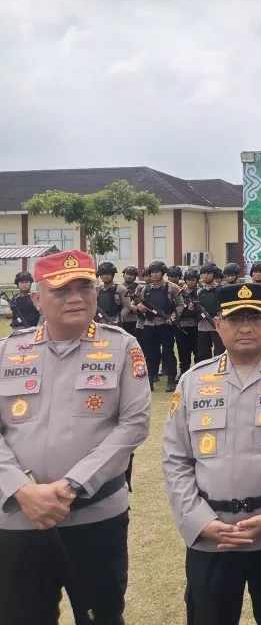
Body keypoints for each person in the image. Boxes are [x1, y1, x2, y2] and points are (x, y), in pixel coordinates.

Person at [0, 249, 151, 624]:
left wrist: (71, 485)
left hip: (94, 514)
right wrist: (20, 489)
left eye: (84, 286)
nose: (76, 297)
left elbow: (134, 424)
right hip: (20, 517)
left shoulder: (122, 347)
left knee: (101, 614)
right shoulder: (7, 351)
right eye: (61, 289)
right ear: (36, 298)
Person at [162, 282, 261, 625]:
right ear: (218, 324)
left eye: (254, 317)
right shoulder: (193, 381)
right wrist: (200, 521)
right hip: (211, 538)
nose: (245, 327)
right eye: (234, 318)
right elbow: (176, 459)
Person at [133, 261, 184, 392]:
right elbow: (135, 304)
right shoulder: (145, 289)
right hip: (149, 325)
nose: (154, 274)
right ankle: (149, 379)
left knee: (168, 352)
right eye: (152, 272)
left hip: (166, 324)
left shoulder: (171, 287)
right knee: (150, 354)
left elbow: (180, 304)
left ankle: (171, 380)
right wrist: (138, 307)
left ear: (163, 272)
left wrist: (173, 317)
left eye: (157, 271)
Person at [196, 263, 224, 362]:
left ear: (214, 274)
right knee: (203, 353)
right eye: (203, 273)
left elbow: (224, 307)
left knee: (220, 352)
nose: (205, 275)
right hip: (202, 326)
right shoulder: (199, 291)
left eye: (208, 273)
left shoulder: (221, 290)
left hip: (217, 326)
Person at [176, 269, 201, 376]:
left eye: (192, 280)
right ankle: (184, 374)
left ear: (197, 280)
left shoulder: (201, 292)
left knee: (198, 352)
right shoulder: (179, 292)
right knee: (183, 353)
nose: (190, 282)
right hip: (181, 326)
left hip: (196, 326)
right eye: (188, 280)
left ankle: (198, 374)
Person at [120, 265, 141, 337]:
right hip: (121, 319)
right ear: (123, 275)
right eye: (127, 274)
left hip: (136, 320)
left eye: (132, 275)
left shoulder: (140, 288)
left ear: (135, 276)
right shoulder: (118, 288)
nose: (129, 276)